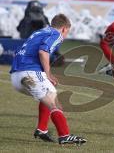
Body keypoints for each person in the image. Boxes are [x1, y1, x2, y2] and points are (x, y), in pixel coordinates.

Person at [10, 14, 87, 145]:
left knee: (49, 94)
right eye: (67, 32)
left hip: (16, 76)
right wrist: (48, 73)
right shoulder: (56, 34)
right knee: (54, 103)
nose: (66, 35)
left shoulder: (40, 31)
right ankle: (64, 135)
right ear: (64, 28)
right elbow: (43, 51)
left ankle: (42, 129)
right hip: (30, 73)